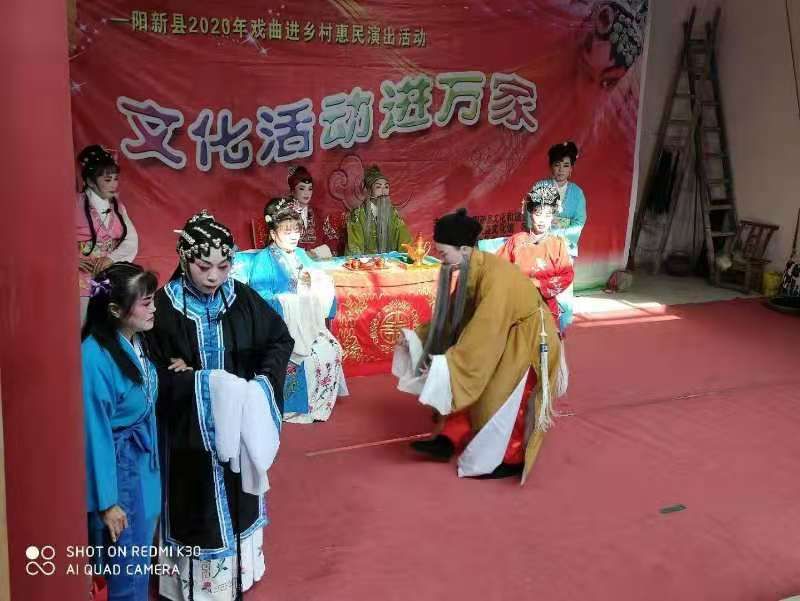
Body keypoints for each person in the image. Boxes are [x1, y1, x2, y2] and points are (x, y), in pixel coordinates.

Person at [145, 211, 293, 601]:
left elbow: (279, 340)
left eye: (223, 267)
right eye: (203, 267)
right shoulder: (163, 309)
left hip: (238, 429)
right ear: (183, 259)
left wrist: (260, 386)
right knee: (195, 507)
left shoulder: (241, 298)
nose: (214, 276)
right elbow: (149, 370)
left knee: (238, 497)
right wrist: (192, 382)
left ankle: (237, 575)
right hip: (189, 438)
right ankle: (197, 586)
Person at [392, 208, 567, 482]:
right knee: (471, 382)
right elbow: (452, 316)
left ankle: (511, 458)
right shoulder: (471, 269)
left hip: (529, 338)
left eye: (443, 253)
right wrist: (419, 336)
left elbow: (482, 332)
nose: (440, 258)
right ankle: (448, 439)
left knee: (499, 397)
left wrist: (450, 361)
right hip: (504, 332)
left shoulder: (495, 278)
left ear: (463, 250)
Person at [81, 262, 159, 601]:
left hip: (140, 461)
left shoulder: (135, 341)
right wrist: (107, 501)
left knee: (139, 553)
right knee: (126, 562)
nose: (154, 309)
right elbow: (94, 433)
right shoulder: (93, 357)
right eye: (146, 302)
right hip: (119, 469)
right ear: (115, 309)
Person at [232, 197, 348, 423]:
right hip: (280, 329)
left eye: (296, 230)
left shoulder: (301, 255)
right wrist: (290, 301)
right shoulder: (264, 260)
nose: (294, 236)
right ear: (273, 234)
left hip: (307, 324)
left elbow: (320, 280)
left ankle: (318, 404)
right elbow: (260, 299)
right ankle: (295, 407)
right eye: (287, 231)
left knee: (331, 349)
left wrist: (316, 285)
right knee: (308, 360)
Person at [498, 182, 575, 333]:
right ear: (530, 213)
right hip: (517, 309)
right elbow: (498, 269)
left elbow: (567, 275)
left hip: (546, 309)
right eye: (538, 213)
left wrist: (539, 283)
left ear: (553, 216)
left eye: (547, 215)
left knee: (549, 345)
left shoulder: (557, 244)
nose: (542, 220)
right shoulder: (516, 241)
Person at [76, 145, 139, 323]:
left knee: (104, 322)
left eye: (115, 179)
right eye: (107, 179)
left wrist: (111, 258)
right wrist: (70, 259)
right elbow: (52, 238)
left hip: (105, 273)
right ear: (90, 181)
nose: (114, 184)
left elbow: (131, 240)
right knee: (81, 324)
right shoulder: (74, 203)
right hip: (79, 275)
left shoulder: (117, 206)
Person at [344, 165, 412, 255]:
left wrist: (408, 255)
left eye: (386, 187)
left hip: (390, 261)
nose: (383, 191)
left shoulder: (393, 213)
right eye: (378, 187)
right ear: (369, 190)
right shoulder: (358, 215)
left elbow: (404, 239)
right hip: (366, 261)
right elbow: (354, 247)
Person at [538, 141, 587, 259]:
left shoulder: (577, 193)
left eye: (566, 165)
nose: (561, 170)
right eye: (557, 165)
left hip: (566, 246)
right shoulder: (540, 187)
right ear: (551, 167)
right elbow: (530, 215)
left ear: (571, 169)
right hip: (541, 242)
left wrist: (560, 237)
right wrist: (542, 237)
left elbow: (579, 222)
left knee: (563, 269)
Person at [286, 165, 336, 258]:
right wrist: (303, 256)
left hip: (318, 262)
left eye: (310, 189)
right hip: (294, 263)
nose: (307, 193)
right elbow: (278, 245)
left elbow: (332, 239)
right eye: (302, 188)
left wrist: (317, 252)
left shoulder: (319, 215)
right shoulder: (284, 215)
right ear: (292, 191)